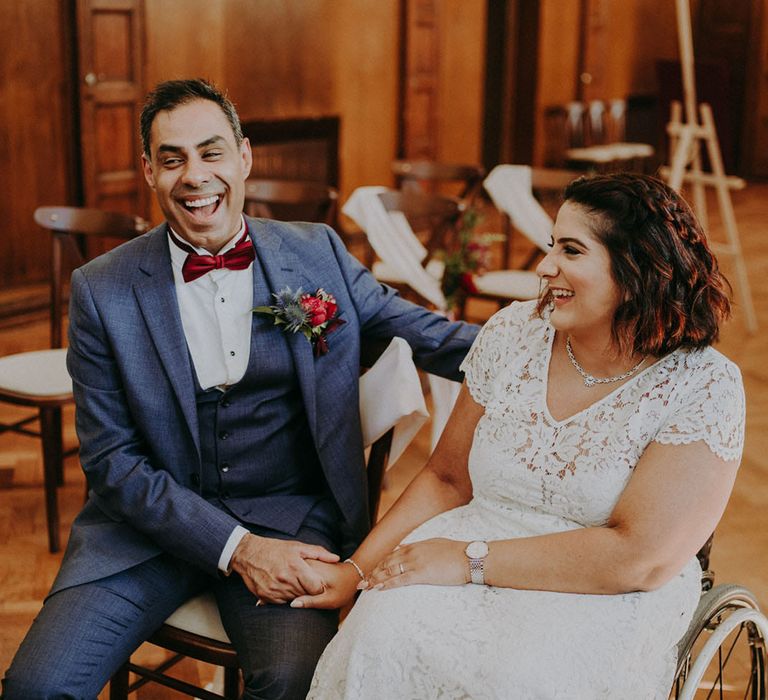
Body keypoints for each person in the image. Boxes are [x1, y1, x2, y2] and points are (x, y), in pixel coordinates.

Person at [1, 78, 478, 699]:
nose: (195, 175)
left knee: (295, 682)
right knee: (38, 688)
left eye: (212, 152)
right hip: (143, 532)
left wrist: (573, 338)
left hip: (289, 522)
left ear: (245, 156)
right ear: (148, 171)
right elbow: (112, 464)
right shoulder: (101, 290)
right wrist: (236, 548)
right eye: (172, 159)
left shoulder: (318, 253)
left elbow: (435, 337)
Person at [300, 173, 746, 699]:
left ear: (638, 270)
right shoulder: (514, 332)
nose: (544, 266)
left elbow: (637, 558)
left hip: (604, 587)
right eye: (550, 245)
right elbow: (445, 478)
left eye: (572, 250)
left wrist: (467, 560)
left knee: (521, 678)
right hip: (471, 543)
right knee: (383, 631)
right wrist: (357, 570)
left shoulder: (702, 384)